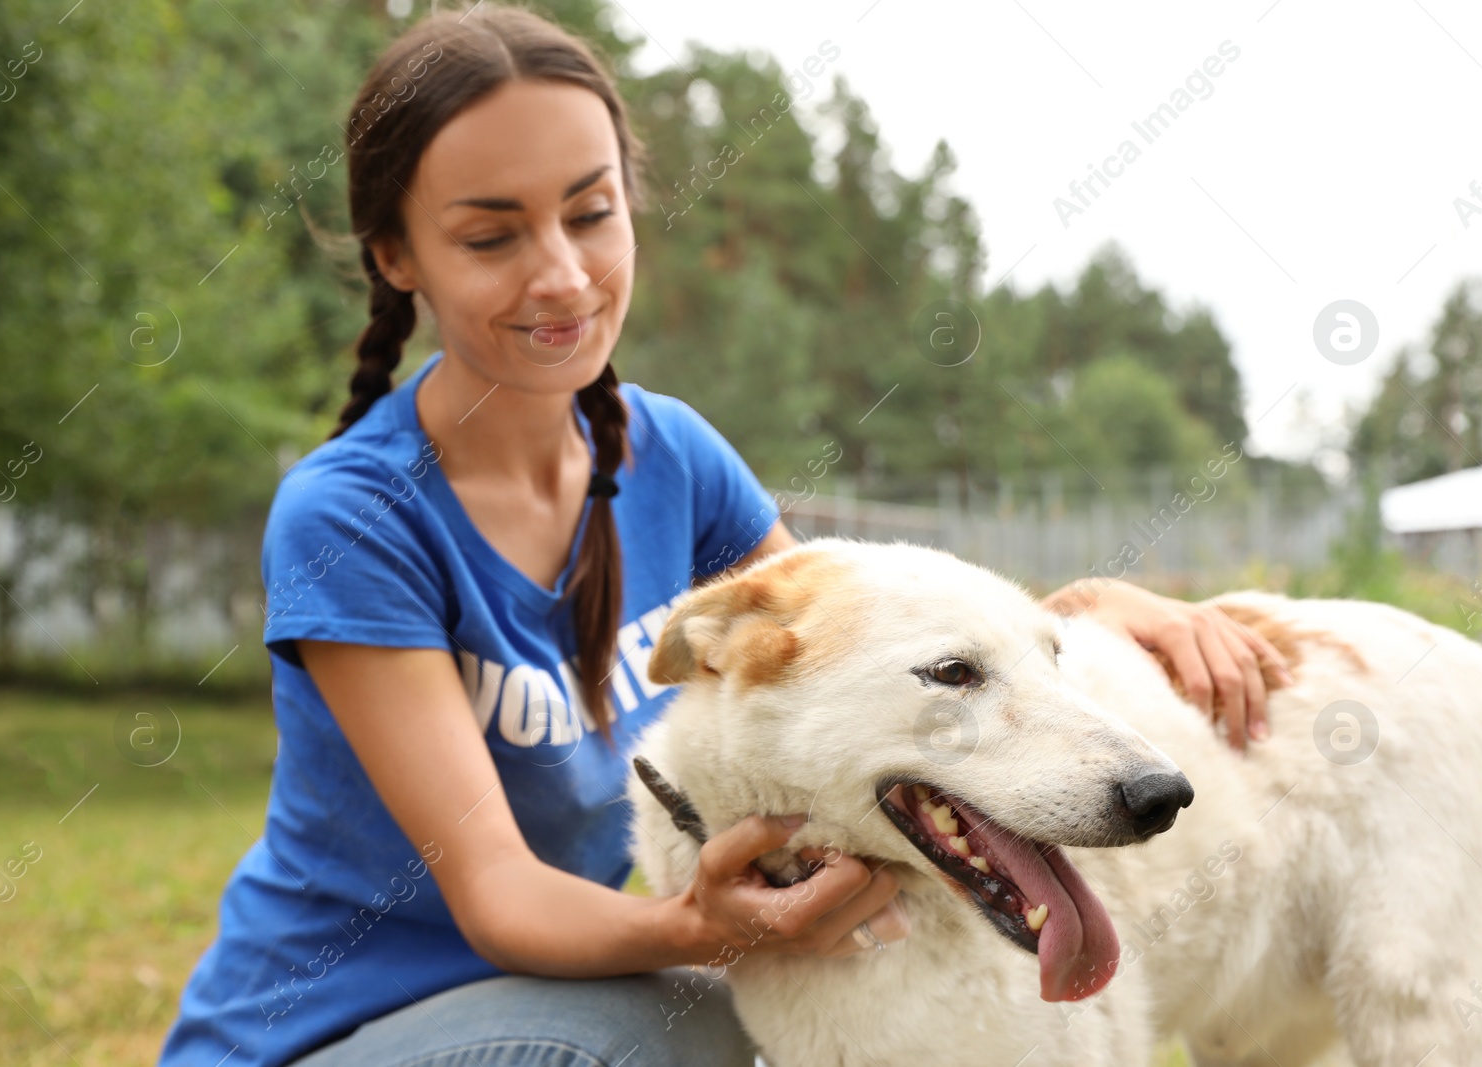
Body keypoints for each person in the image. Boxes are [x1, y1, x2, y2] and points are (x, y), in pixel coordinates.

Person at [158, 8, 1285, 1067]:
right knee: (691, 1029)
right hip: (337, 1031)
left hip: (586, 978)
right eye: (492, 234)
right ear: (397, 255)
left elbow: (856, 656)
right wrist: (700, 922)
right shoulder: (355, 514)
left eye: (590, 212)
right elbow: (501, 897)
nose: (561, 273)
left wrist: (1067, 623)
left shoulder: (673, 454)